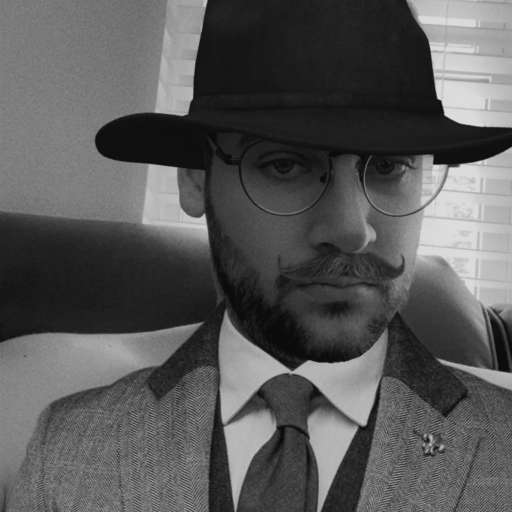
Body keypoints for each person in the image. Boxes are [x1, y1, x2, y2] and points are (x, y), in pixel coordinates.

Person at [7, 0, 512, 510]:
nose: (351, 230)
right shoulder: (66, 447)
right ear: (196, 179)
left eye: (390, 167)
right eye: (286, 165)